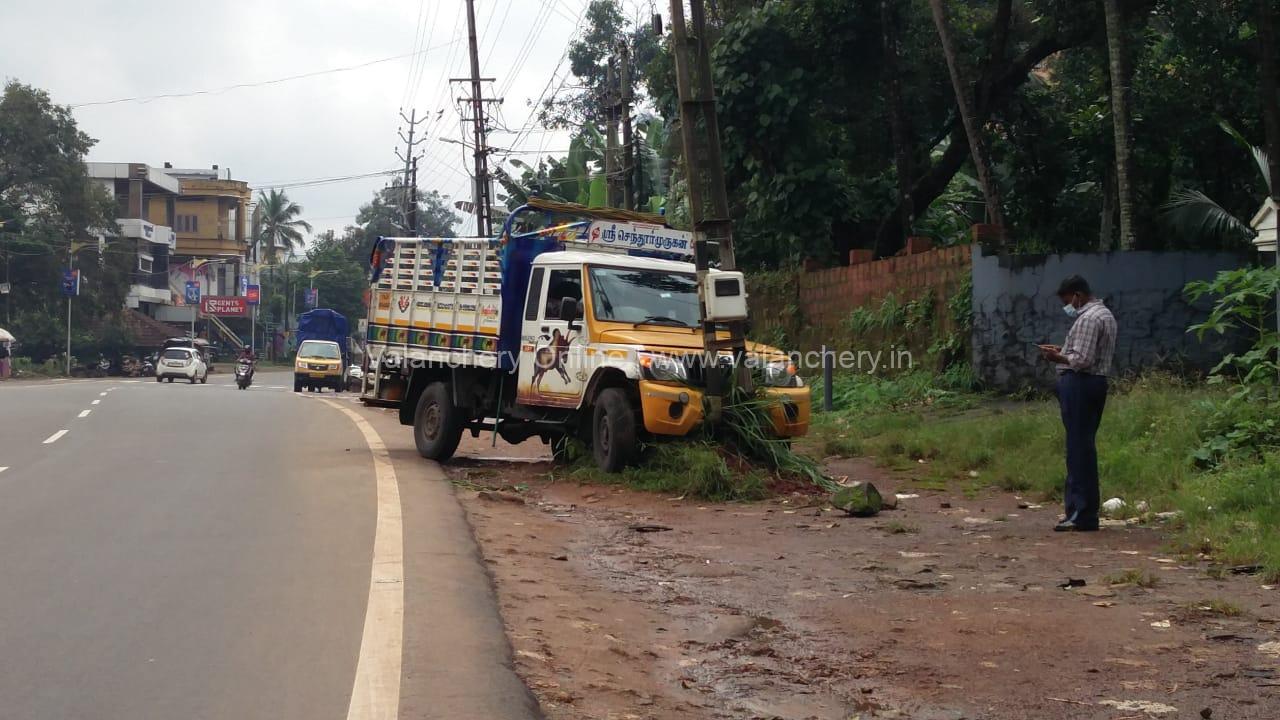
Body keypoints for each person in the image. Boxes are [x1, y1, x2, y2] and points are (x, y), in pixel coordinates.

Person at [1039, 275, 1117, 532]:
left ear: (1077, 295)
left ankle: (1080, 512)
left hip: (1080, 383)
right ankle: (1083, 511)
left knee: (1077, 449)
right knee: (1084, 445)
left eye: (1068, 301)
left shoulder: (1088, 318)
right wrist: (1065, 350)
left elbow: (1081, 360)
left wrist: (1056, 356)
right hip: (1095, 383)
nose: (1068, 306)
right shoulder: (1104, 314)